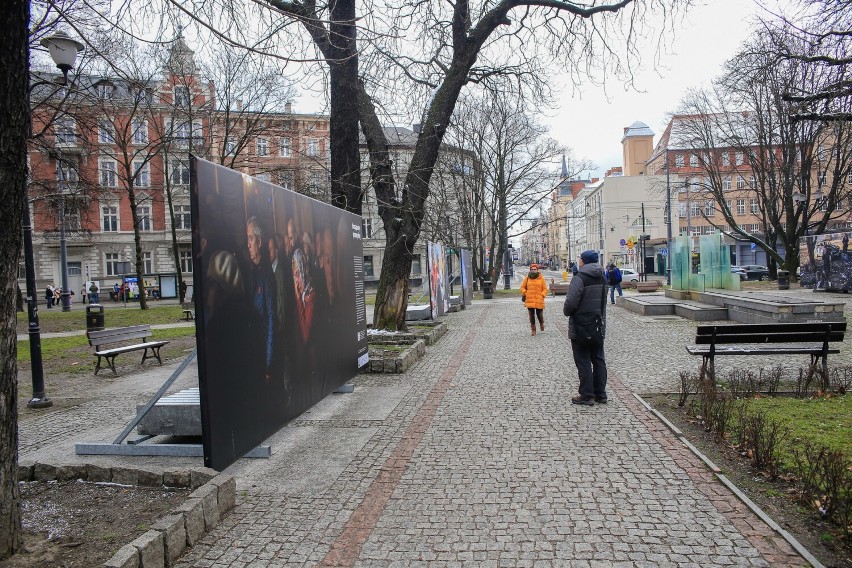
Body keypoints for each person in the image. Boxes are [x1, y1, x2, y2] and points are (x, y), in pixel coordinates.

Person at [563, 250, 608, 406]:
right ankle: (600, 394)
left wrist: (567, 312)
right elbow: (603, 303)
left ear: (584, 261)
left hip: (581, 325)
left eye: (580, 259)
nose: (578, 261)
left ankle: (586, 395)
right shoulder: (603, 278)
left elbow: (570, 303)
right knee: (598, 359)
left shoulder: (579, 278)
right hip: (598, 324)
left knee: (583, 360)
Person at [520, 263, 548, 336]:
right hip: (530, 299)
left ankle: (541, 323)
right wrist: (525, 293)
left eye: (534, 269)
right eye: (532, 269)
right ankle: (533, 330)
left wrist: (542, 295)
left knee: (539, 314)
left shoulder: (541, 278)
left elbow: (545, 289)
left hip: (539, 299)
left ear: (537, 270)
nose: (533, 270)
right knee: (531, 316)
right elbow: (522, 287)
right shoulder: (527, 278)